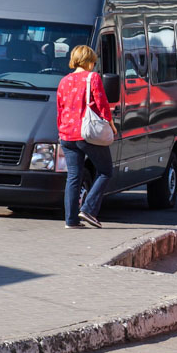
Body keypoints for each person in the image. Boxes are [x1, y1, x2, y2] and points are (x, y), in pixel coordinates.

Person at [56, 45, 114, 229]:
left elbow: (60, 108)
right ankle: (88, 209)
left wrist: (61, 130)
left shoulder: (64, 81)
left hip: (66, 133)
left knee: (74, 176)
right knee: (105, 171)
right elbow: (102, 104)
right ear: (89, 61)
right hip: (86, 133)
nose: (94, 65)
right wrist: (111, 124)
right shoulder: (92, 77)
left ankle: (71, 220)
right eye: (94, 61)